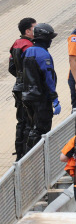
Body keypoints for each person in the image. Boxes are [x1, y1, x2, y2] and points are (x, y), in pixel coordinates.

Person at [22, 23, 60, 153]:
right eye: (49, 38)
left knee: (31, 127)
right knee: (41, 129)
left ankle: (26, 155)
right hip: (40, 98)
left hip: (27, 96)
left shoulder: (28, 51)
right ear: (44, 38)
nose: (50, 41)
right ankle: (35, 156)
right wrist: (55, 99)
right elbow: (48, 78)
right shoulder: (43, 55)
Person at [9, 17, 36, 159]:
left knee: (21, 120)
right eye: (35, 28)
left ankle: (19, 151)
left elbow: (11, 67)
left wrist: (20, 78)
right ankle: (27, 152)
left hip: (18, 87)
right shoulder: (29, 47)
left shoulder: (16, 44)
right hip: (28, 89)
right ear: (28, 31)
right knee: (29, 120)